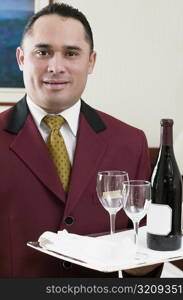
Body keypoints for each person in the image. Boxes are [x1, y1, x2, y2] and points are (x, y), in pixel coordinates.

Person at [0, 2, 162, 277]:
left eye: (71, 53)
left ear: (91, 62)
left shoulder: (130, 141)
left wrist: (152, 258)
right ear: (21, 59)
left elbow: (144, 258)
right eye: (43, 52)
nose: (56, 66)